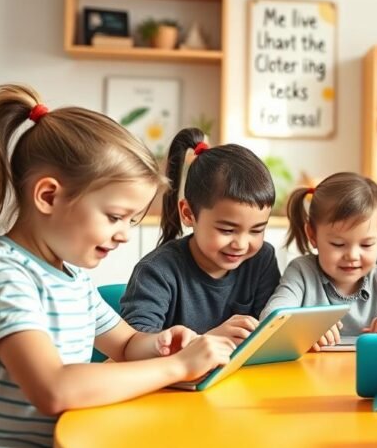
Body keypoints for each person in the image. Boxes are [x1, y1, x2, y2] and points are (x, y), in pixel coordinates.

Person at [0, 84, 233, 448]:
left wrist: (163, 344)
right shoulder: (4, 273)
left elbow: (126, 343)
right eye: (115, 216)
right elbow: (54, 389)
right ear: (48, 196)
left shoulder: (72, 276)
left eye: (132, 221)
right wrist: (176, 369)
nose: (122, 236)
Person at [120, 128, 281, 345]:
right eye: (227, 230)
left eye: (256, 230)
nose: (241, 244)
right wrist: (205, 341)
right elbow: (133, 344)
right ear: (188, 214)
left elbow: (272, 326)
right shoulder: (157, 271)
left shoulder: (261, 259)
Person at [262, 173, 377, 343]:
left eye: (366, 245)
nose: (353, 256)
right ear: (312, 235)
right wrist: (305, 328)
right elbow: (270, 316)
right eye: (338, 244)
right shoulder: (301, 272)